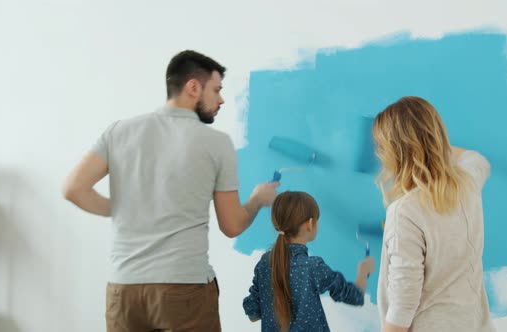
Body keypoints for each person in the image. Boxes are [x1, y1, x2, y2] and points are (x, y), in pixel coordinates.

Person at [62, 50, 278, 331]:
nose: (221, 99)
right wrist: (257, 200)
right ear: (193, 87)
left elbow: (73, 189)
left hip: (123, 289)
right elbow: (232, 225)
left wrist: (121, 208)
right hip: (183, 290)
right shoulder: (216, 143)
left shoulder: (119, 131)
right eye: (216, 90)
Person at [373, 96, 495, 332]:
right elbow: (478, 160)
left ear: (395, 152)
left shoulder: (405, 212)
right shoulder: (468, 183)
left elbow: (403, 305)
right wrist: (432, 144)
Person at [243, 191, 376, 332]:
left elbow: (253, 313)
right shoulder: (313, 267)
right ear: (310, 224)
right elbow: (355, 297)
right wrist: (363, 272)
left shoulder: (264, 264)